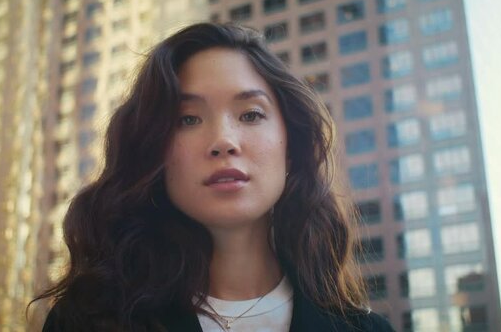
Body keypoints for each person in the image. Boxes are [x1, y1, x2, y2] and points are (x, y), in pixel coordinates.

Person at [34, 23, 394, 332]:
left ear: (291, 146)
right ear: (154, 153)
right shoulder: (85, 321)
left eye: (251, 115)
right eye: (187, 119)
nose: (223, 140)